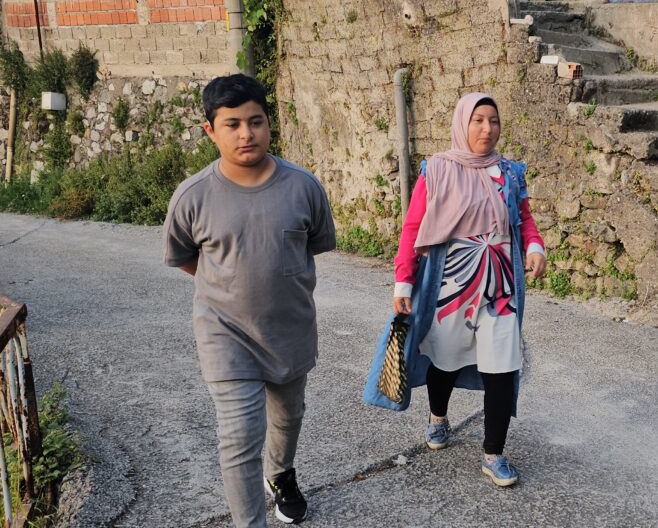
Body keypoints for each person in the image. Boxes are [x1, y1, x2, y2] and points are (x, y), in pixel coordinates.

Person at [163, 74, 336, 526]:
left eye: (255, 122)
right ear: (210, 131)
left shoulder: (303, 187)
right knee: (240, 437)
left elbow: (313, 245)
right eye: (233, 124)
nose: (246, 134)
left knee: (288, 416)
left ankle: (279, 474)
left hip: (289, 330)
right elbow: (185, 257)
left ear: (268, 123)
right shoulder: (193, 196)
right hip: (226, 335)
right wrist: (228, 286)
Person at [363, 92, 546, 487]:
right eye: (478, 120)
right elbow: (413, 228)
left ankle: (493, 454)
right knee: (444, 364)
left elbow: (524, 219)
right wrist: (403, 281)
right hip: (452, 290)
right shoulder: (438, 170)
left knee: (502, 370)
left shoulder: (510, 173)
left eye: (493, 121)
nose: (487, 129)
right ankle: (438, 416)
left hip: (500, 291)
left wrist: (534, 246)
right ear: (463, 124)